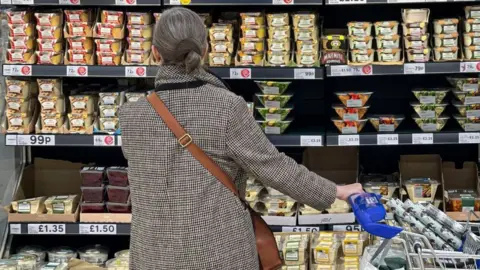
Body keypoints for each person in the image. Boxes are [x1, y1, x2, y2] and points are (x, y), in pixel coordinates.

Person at [119, 7, 363, 270]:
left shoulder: (130, 115)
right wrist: (337, 191)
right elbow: (273, 168)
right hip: (219, 252)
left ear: (155, 53)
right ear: (205, 50)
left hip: (152, 256)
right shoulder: (226, 107)